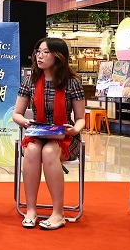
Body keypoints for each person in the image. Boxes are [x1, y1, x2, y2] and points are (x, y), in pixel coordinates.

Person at [12, 38, 85, 230]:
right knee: (32, 150)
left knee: (49, 152)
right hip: (37, 133)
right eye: (38, 52)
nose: (40, 56)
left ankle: (58, 213)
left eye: (45, 52)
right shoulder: (30, 80)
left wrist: (74, 130)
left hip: (65, 136)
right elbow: (16, 114)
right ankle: (30, 210)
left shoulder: (72, 82)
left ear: (58, 56)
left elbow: (80, 119)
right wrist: (25, 122)